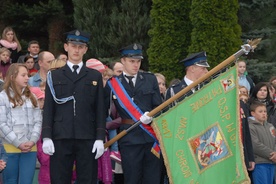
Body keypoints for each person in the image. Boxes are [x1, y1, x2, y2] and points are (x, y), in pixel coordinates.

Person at [41, 29, 105, 183]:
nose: (76, 50)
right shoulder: (54, 75)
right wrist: (47, 136)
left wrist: (100, 137)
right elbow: (49, 108)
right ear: (66, 47)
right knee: (60, 178)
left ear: (85, 49)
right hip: (61, 136)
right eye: (73, 45)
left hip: (87, 136)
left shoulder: (94, 76)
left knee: (87, 179)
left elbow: (100, 109)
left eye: (80, 47)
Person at [105, 43, 163, 184]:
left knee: (153, 179)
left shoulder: (149, 79)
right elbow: (103, 111)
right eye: (132, 61)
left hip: (151, 138)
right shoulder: (113, 83)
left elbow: (159, 106)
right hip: (129, 138)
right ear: (123, 61)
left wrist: (152, 116)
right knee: (132, 179)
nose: (136, 65)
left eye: (138, 61)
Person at [0, 63, 42, 183]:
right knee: (10, 181)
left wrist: (32, 140)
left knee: (26, 181)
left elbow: (38, 121)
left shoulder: (32, 97)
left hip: (30, 149)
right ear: (12, 77)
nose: (27, 78)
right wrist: (17, 143)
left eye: (28, 75)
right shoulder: (2, 97)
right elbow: (2, 124)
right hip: (9, 148)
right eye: (23, 75)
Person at [248, 101, 276, 184]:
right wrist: (271, 154)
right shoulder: (251, 126)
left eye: (265, 111)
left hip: (272, 162)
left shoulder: (270, 126)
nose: (263, 114)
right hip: (260, 163)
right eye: (260, 112)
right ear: (253, 113)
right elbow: (255, 145)